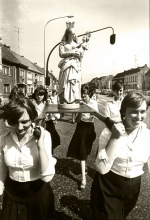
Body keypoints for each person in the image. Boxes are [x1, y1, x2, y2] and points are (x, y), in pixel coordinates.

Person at [91, 92, 150, 220]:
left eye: (143, 111)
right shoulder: (108, 133)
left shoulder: (147, 135)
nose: (139, 116)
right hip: (108, 186)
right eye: (134, 112)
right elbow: (102, 168)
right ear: (123, 113)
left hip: (132, 189)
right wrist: (114, 138)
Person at [0, 97, 57, 220]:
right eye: (15, 121)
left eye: (24, 121)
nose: (20, 127)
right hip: (12, 194)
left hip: (37, 194)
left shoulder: (44, 136)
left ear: (32, 118)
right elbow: (2, 169)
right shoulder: (4, 138)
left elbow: (47, 176)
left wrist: (40, 145)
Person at [67, 87, 99, 190]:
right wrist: (80, 111)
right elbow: (77, 120)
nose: (83, 96)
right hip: (81, 128)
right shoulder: (79, 104)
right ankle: (83, 179)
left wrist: (90, 111)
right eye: (82, 94)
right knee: (82, 152)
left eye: (85, 94)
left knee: (86, 149)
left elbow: (97, 117)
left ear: (89, 94)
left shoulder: (94, 103)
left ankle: (84, 165)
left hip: (90, 128)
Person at [58, 22, 83, 104]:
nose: (74, 36)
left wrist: (80, 54)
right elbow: (61, 54)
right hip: (66, 65)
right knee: (65, 82)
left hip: (75, 65)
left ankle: (74, 99)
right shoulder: (63, 44)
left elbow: (80, 57)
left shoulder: (77, 44)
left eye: (75, 34)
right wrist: (72, 53)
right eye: (72, 34)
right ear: (68, 34)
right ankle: (65, 99)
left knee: (74, 82)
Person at [32, 86, 60, 153]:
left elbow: (57, 116)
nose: (39, 97)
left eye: (41, 95)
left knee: (49, 142)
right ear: (35, 95)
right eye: (38, 95)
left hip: (48, 125)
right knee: (38, 144)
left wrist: (52, 113)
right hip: (37, 126)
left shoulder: (47, 104)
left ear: (44, 95)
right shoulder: (32, 104)